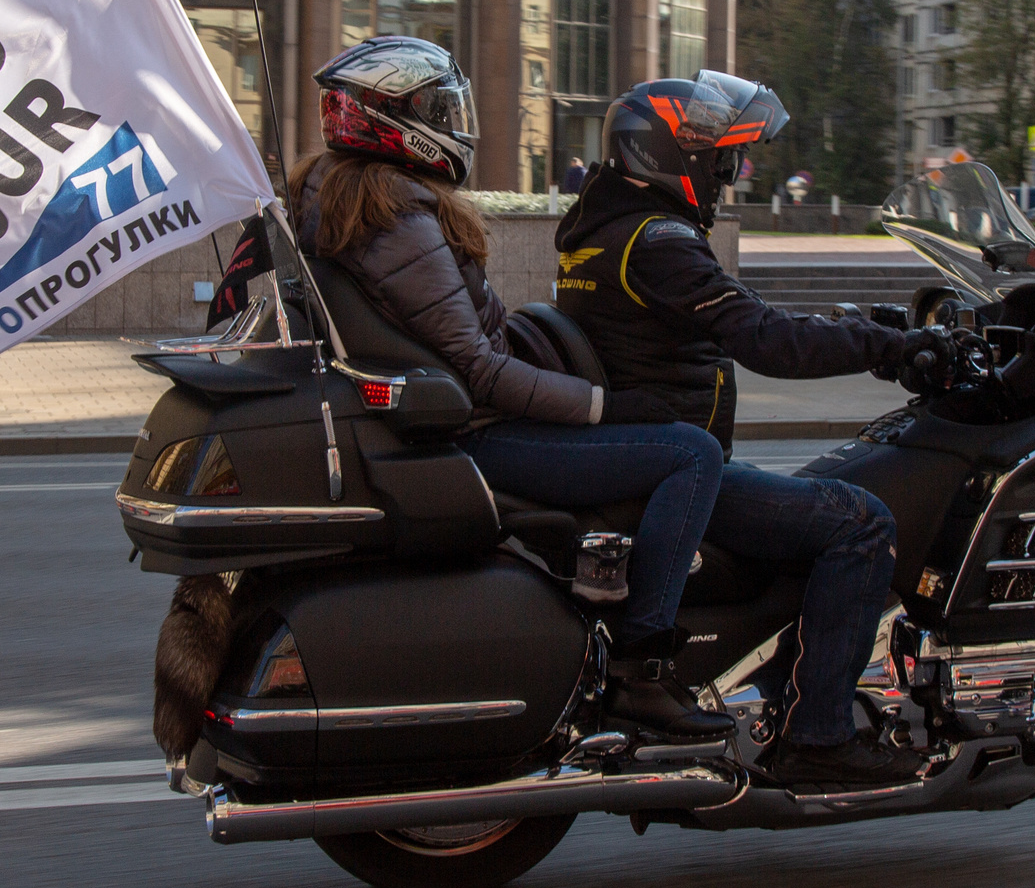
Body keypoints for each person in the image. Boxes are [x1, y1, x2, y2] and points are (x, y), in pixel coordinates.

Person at [294, 37, 731, 741]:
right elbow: (480, 367)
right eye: (437, 108)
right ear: (390, 118)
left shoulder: (340, 199)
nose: (454, 121)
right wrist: (603, 407)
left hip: (450, 420)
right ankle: (642, 672)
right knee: (692, 455)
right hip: (482, 432)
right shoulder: (398, 218)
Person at [555, 73, 957, 786]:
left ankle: (783, 691)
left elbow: (747, 317)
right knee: (862, 524)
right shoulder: (659, 240)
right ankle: (820, 734)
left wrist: (863, 325)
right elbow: (767, 339)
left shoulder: (603, 231)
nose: (730, 174)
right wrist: (886, 348)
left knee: (821, 501)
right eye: (721, 160)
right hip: (681, 473)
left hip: (652, 465)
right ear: (670, 156)